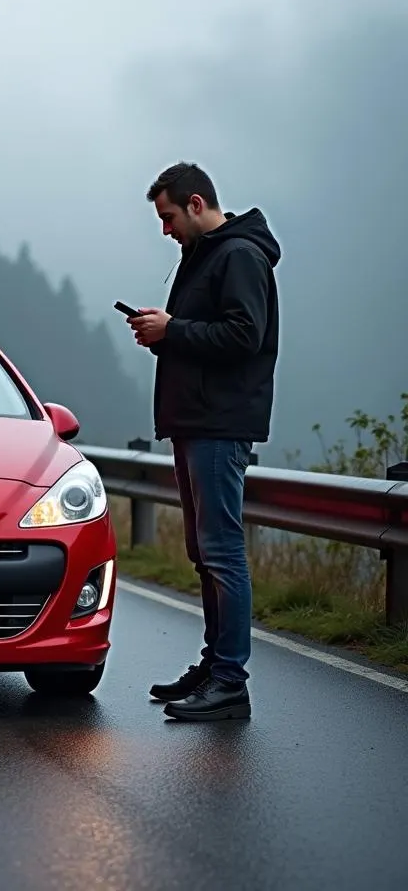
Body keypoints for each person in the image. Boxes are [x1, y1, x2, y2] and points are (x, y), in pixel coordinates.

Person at [128, 161, 281, 722]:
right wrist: (166, 331)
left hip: (220, 423)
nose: (165, 230)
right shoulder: (205, 255)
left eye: (168, 217)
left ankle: (229, 681)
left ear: (196, 204)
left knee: (220, 552)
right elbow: (207, 336)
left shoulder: (238, 255)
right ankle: (215, 665)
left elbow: (246, 334)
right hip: (197, 421)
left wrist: (174, 330)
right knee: (204, 553)